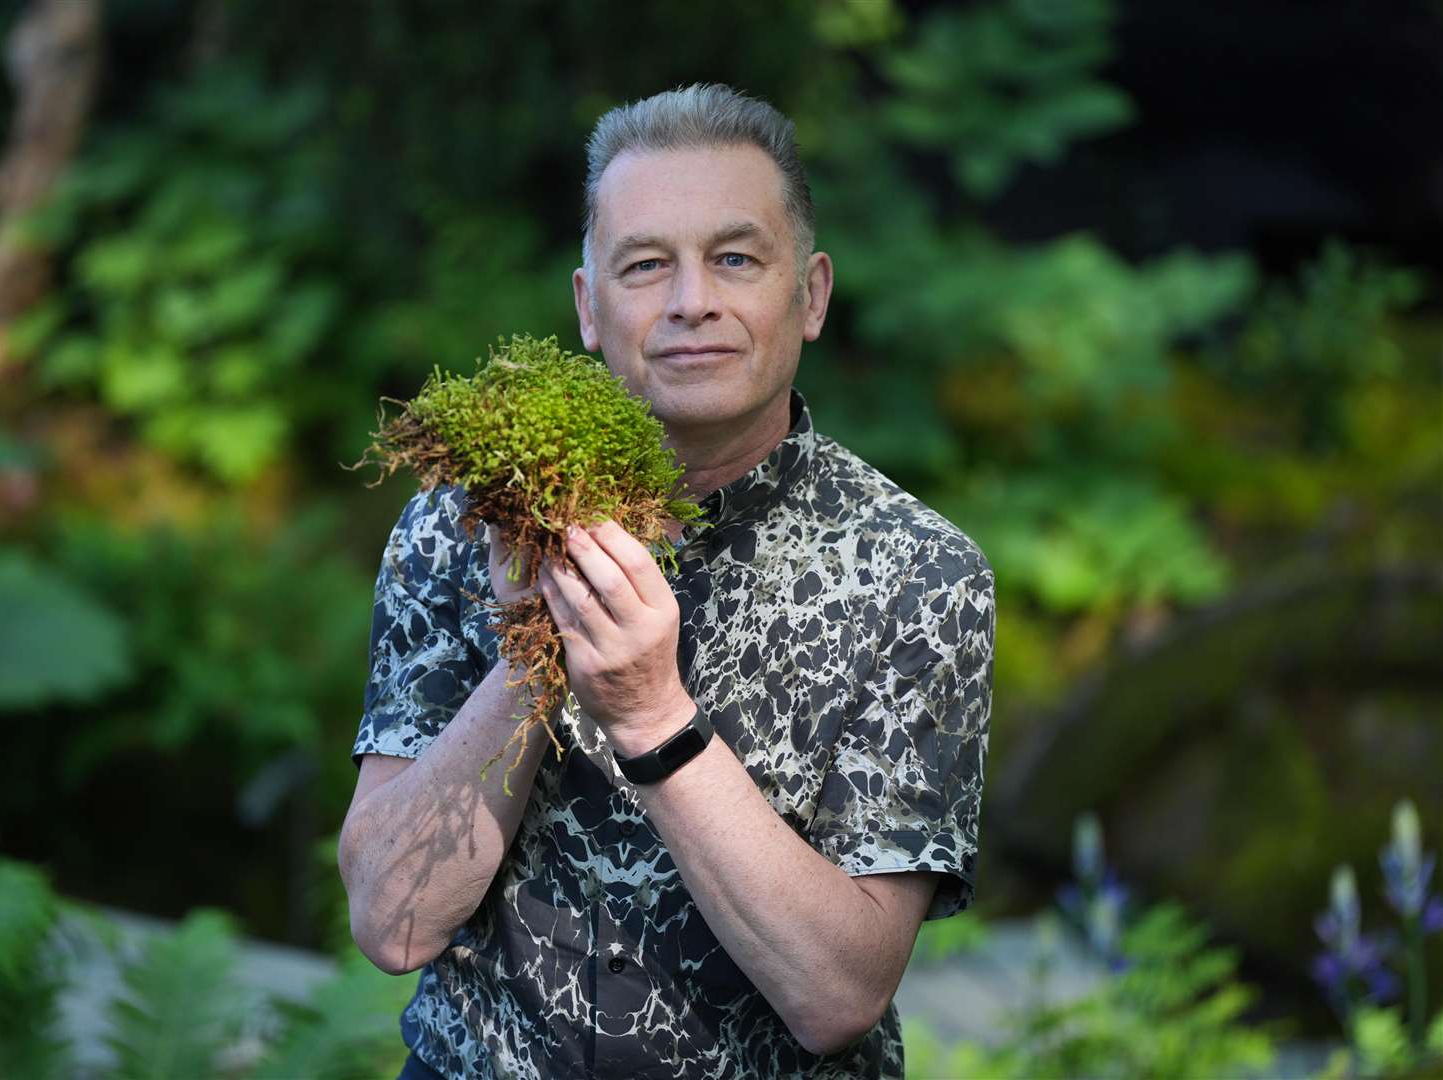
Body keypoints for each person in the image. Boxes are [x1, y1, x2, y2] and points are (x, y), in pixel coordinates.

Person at [338, 84, 995, 1079]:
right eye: (647, 265)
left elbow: (839, 997)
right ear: (588, 307)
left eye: (735, 258)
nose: (692, 301)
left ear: (809, 295)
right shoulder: (458, 523)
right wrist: (532, 654)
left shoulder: (919, 574)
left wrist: (650, 715)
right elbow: (391, 924)